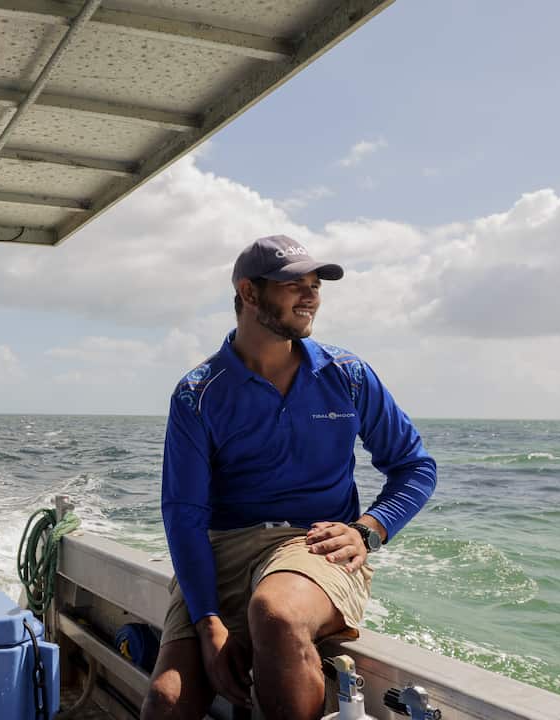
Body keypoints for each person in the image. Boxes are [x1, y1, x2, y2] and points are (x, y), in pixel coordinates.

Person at [143, 235, 437, 720]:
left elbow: (414, 466)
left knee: (275, 614)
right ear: (249, 293)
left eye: (315, 285)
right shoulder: (198, 393)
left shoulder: (348, 375)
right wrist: (209, 623)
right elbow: (184, 515)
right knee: (167, 702)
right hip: (221, 550)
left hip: (310, 544)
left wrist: (370, 528)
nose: (310, 296)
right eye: (292, 285)